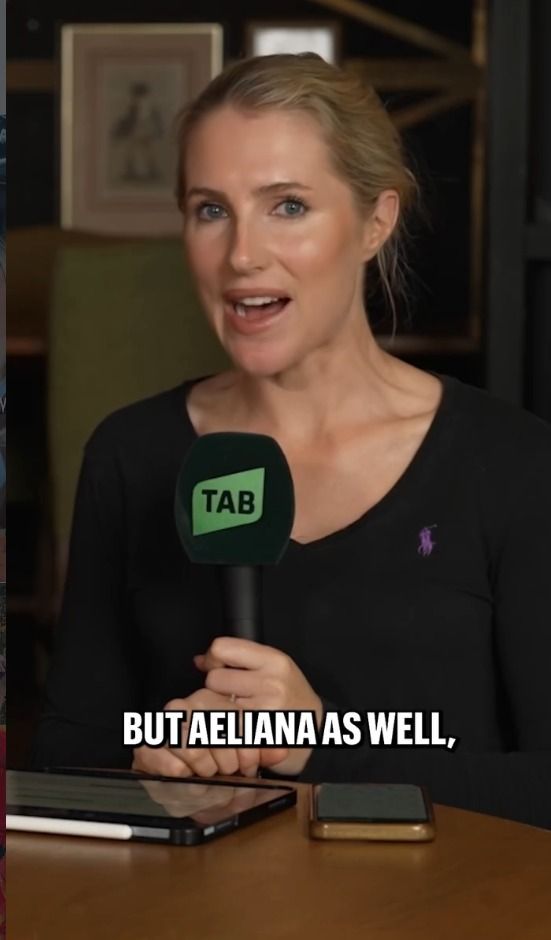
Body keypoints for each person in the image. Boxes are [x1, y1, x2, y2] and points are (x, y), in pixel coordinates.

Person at [32, 54, 551, 828]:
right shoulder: (130, 455)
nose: (241, 254)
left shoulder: (511, 464)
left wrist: (320, 743)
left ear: (375, 221)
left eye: (287, 206)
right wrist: (148, 765)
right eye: (211, 210)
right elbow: (62, 763)